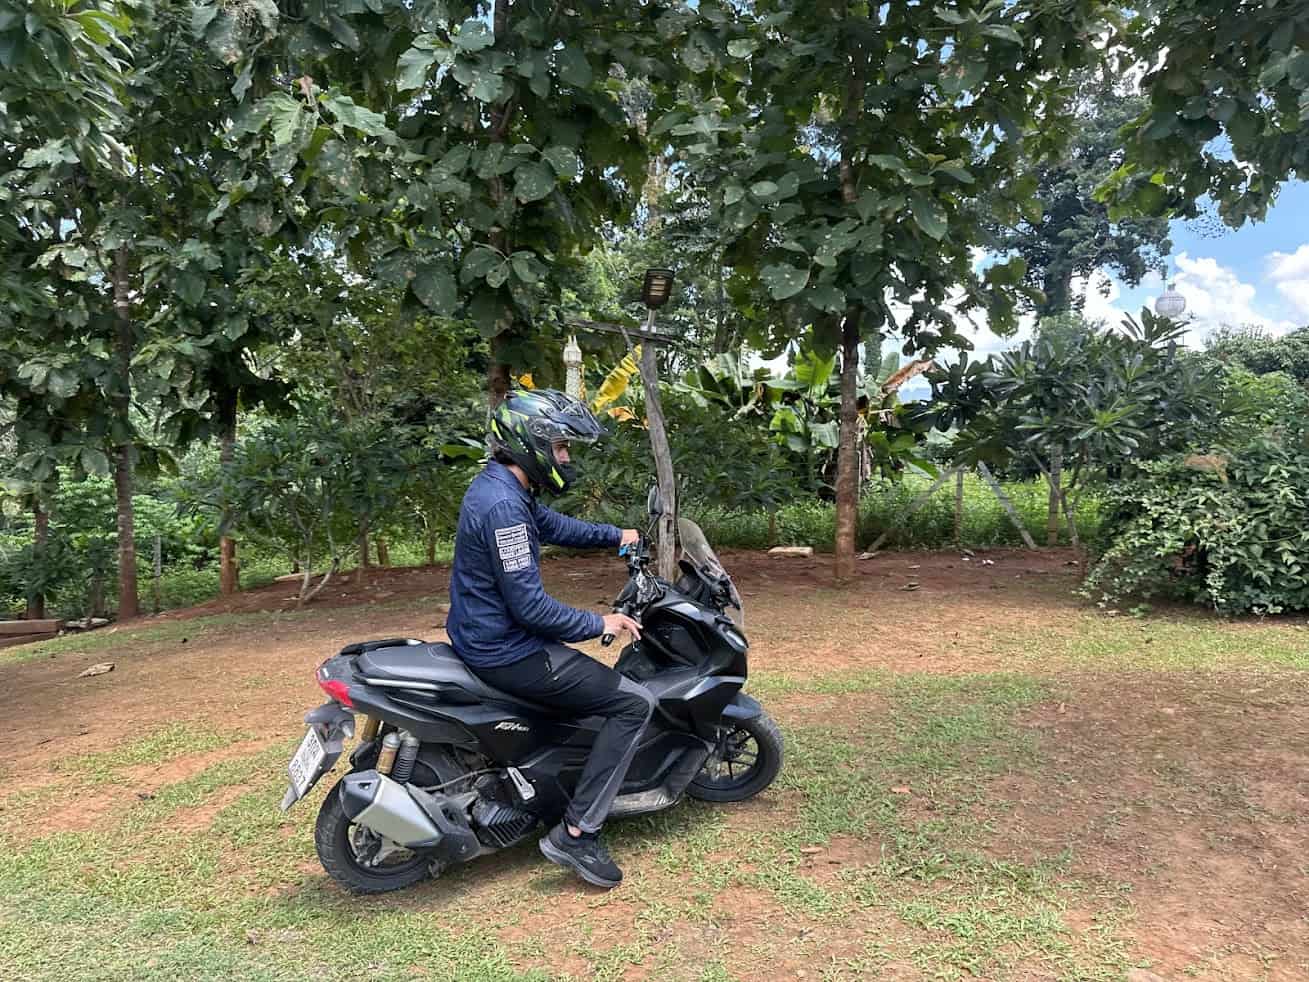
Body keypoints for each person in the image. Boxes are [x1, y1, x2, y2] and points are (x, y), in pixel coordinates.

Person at [447, 388, 651, 889]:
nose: (565, 457)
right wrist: (600, 623)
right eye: (561, 447)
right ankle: (578, 833)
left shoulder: (505, 489)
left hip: (486, 638)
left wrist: (615, 535)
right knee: (634, 704)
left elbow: (552, 524)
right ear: (530, 442)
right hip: (507, 651)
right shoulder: (502, 507)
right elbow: (531, 608)